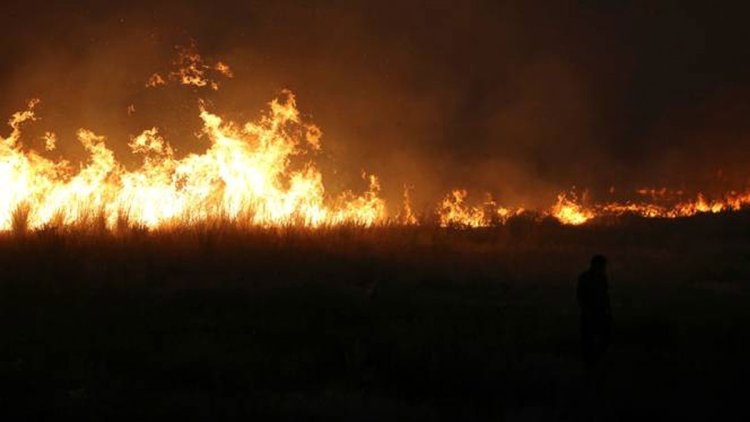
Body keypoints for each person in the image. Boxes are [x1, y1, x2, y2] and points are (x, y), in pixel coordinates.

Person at [577, 254, 611, 369]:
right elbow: (582, 296)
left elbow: (605, 296)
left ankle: (592, 365)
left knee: (592, 341)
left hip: (595, 313)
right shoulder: (599, 278)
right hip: (593, 313)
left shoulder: (594, 278)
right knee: (592, 341)